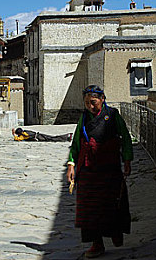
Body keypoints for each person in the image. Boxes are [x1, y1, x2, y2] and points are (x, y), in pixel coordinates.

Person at [66, 85, 133, 258]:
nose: (90, 106)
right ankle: (97, 243)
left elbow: (125, 137)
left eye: (93, 102)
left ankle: (115, 231)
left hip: (109, 168)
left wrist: (127, 160)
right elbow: (77, 143)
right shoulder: (84, 118)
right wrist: (71, 164)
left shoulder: (112, 115)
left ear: (102, 99)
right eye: (87, 103)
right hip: (88, 170)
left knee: (112, 203)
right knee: (90, 209)